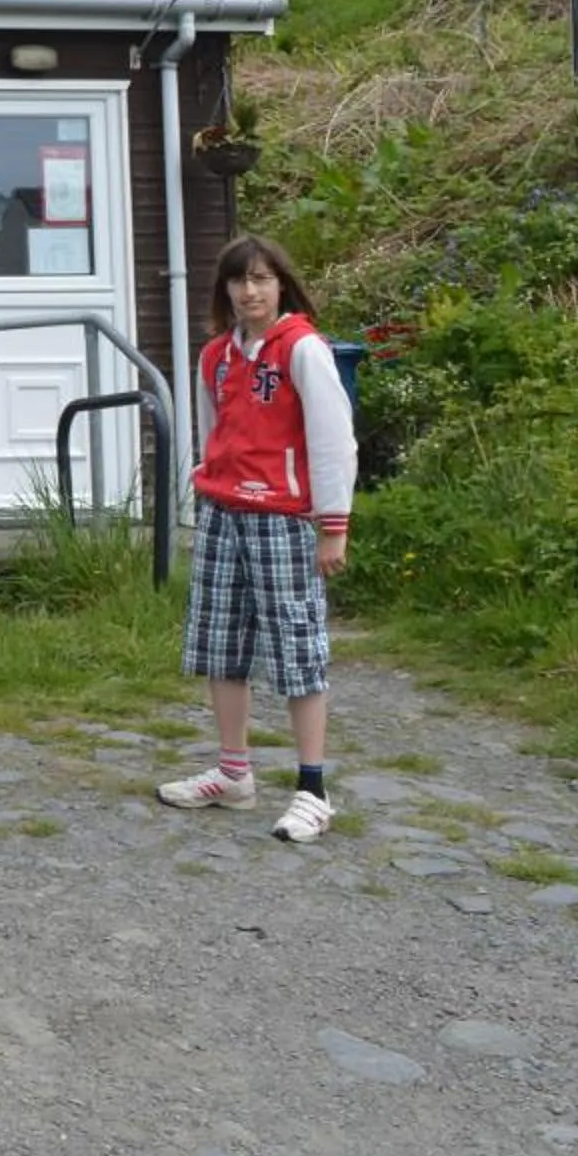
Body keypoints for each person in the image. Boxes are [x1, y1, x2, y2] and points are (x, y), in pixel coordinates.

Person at [157, 232, 357, 844]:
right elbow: (212, 431)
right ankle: (234, 771)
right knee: (221, 643)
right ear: (225, 289)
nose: (251, 291)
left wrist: (333, 526)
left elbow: (333, 440)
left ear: (282, 285)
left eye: (263, 278)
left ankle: (313, 789)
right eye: (240, 280)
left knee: (297, 649)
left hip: (284, 517)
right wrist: (206, 492)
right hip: (224, 512)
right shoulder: (215, 355)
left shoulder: (303, 350)